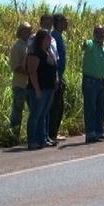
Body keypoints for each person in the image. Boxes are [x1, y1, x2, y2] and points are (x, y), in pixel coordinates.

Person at [26, 29, 58, 150]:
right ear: (42, 39)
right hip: (38, 89)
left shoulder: (48, 51)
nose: (50, 40)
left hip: (49, 88)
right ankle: (32, 140)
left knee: (43, 114)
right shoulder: (35, 52)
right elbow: (32, 72)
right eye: (48, 38)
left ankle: (42, 139)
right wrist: (37, 89)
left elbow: (54, 65)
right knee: (35, 115)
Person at [82, 25, 104, 143]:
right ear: (94, 33)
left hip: (102, 81)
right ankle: (90, 133)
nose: (101, 35)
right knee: (90, 107)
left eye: (103, 33)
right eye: (98, 33)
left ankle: (99, 132)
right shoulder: (91, 44)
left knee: (101, 108)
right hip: (90, 80)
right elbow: (85, 45)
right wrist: (85, 43)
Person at [8, 22, 32, 146]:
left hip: (29, 84)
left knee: (33, 110)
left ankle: (30, 135)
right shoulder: (16, 47)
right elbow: (15, 67)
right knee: (18, 110)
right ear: (21, 31)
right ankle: (14, 137)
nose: (29, 33)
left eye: (30, 30)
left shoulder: (29, 45)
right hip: (20, 84)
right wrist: (29, 72)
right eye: (27, 30)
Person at [49, 14, 68, 143]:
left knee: (59, 106)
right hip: (55, 77)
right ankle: (51, 134)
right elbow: (54, 59)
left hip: (59, 76)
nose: (66, 24)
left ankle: (54, 132)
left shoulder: (59, 36)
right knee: (54, 106)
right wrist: (57, 76)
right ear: (58, 22)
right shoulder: (54, 36)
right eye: (64, 22)